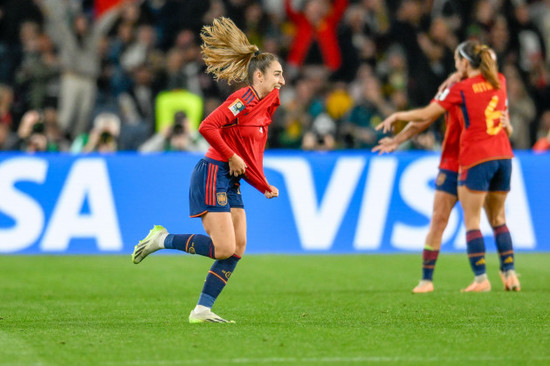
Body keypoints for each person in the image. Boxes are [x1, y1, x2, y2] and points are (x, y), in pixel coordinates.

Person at [132, 17, 284, 323]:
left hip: (232, 178)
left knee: (237, 248)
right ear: (258, 76)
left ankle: (202, 310)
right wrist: (230, 155)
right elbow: (207, 126)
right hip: (213, 171)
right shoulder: (242, 100)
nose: (281, 81)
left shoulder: (266, 104)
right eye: (277, 74)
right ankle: (162, 239)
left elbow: (249, 157)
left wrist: (262, 184)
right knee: (223, 247)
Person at [377, 40, 520, 292]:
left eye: (457, 61)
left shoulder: (461, 87)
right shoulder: (478, 83)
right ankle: (427, 279)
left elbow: (425, 115)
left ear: (464, 63)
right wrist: (398, 140)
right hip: (457, 162)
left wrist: (399, 122)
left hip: (471, 158)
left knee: (473, 219)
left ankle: (481, 278)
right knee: (440, 219)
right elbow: (427, 119)